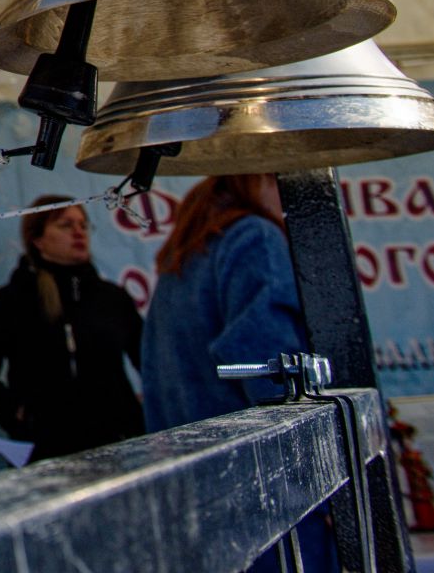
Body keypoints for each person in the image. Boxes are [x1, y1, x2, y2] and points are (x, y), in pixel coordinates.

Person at [140, 173, 334, 572]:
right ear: (259, 178)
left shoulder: (186, 257)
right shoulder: (253, 238)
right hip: (268, 500)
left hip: (197, 496)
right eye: (283, 175)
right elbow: (271, 372)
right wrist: (319, 480)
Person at [0, 197, 144, 459]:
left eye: (83, 224)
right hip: (46, 452)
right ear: (38, 239)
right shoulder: (14, 299)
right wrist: (15, 413)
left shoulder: (112, 298)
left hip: (120, 445)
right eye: (65, 225)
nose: (78, 232)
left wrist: (142, 406)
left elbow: (149, 359)